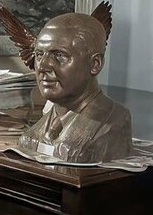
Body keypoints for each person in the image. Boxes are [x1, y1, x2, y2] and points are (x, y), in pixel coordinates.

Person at [17, 13, 133, 163]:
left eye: (59, 55)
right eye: (39, 55)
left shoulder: (113, 123)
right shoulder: (31, 136)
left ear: (95, 64)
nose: (42, 66)